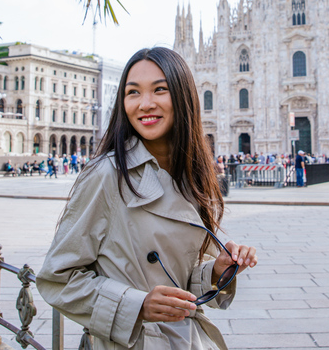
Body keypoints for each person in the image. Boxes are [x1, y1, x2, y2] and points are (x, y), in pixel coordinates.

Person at [36, 47, 257, 350]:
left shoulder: (190, 177)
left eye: (159, 90)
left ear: (183, 96)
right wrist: (137, 306)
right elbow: (56, 279)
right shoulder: (108, 174)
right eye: (133, 93)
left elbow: (179, 279)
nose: (145, 104)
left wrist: (218, 270)